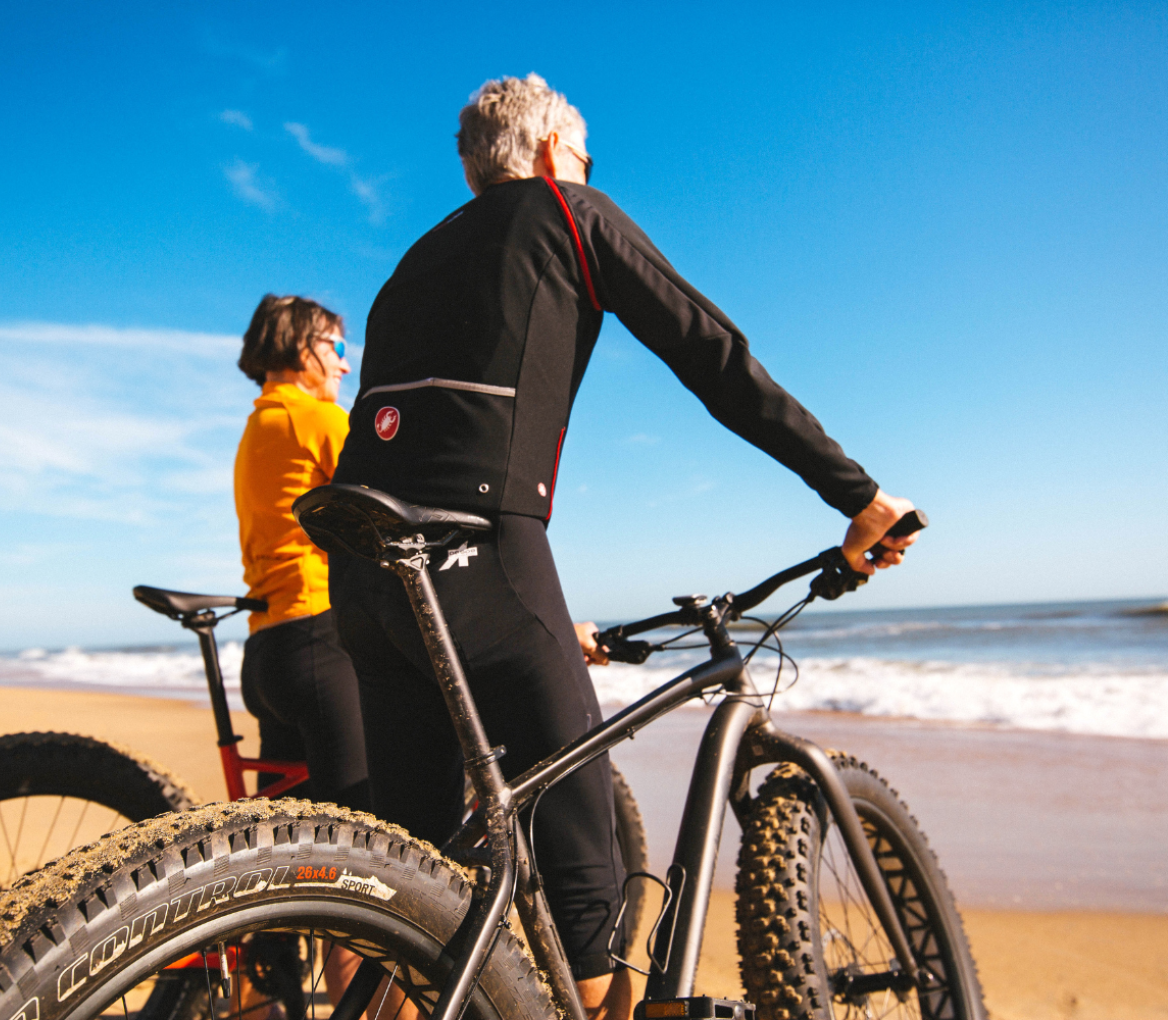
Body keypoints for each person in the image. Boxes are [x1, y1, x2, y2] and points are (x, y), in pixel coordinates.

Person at [329, 74, 918, 1020]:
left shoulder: (408, 263)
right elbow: (714, 354)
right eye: (592, 159)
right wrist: (859, 496)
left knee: (414, 894)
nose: (593, 173)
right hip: (482, 551)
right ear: (558, 153)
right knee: (586, 893)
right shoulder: (569, 210)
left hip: (364, 576)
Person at [234, 294, 370, 810]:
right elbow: (391, 519)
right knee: (365, 843)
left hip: (268, 654)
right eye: (335, 344)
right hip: (320, 643)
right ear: (300, 347)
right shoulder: (319, 419)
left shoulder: (257, 428)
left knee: (281, 850)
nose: (345, 360)